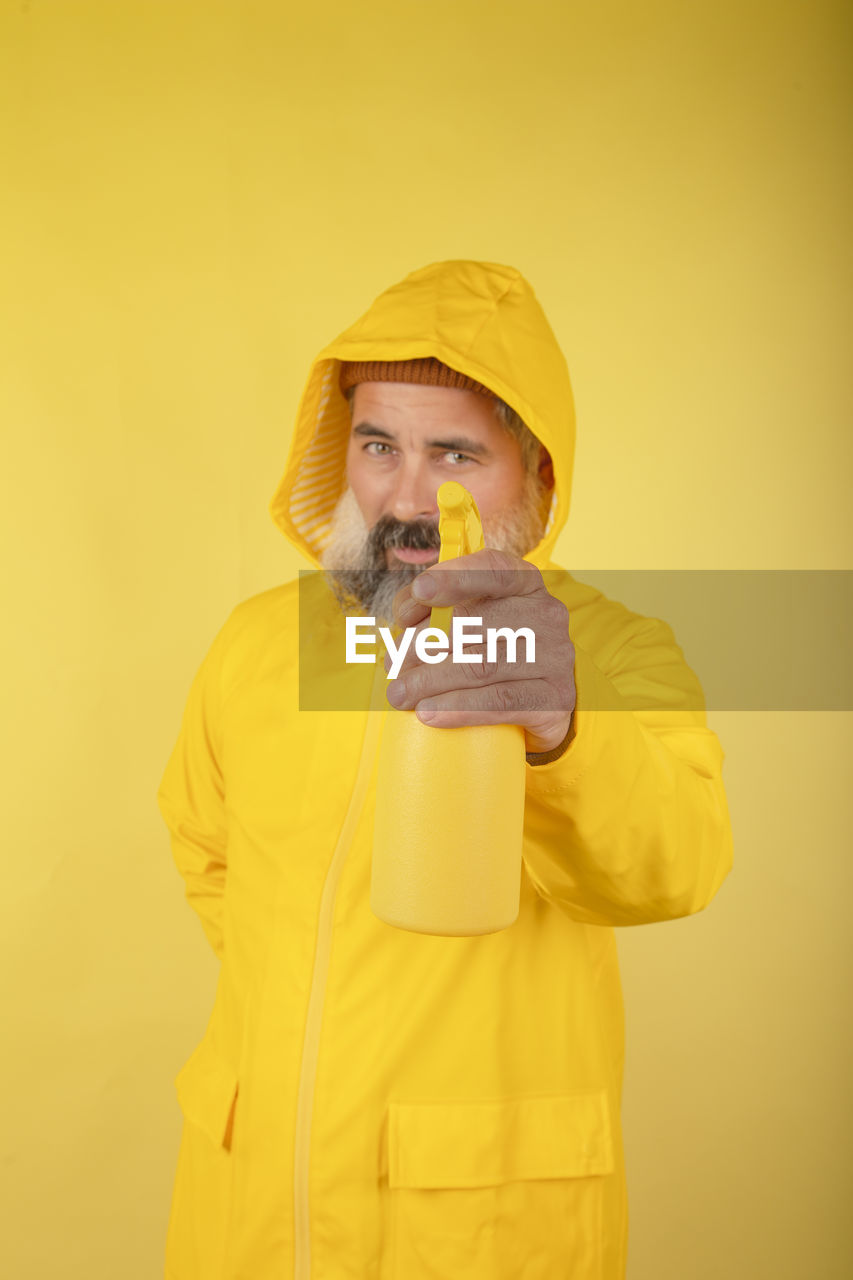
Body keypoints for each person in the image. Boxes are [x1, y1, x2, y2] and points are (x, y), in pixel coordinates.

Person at [156, 259, 733, 1280]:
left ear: (538, 474)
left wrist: (563, 726)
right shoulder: (255, 644)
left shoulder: (611, 652)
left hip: (477, 1231)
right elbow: (209, 852)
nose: (407, 494)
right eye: (379, 443)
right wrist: (325, 996)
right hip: (249, 1212)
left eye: (455, 450)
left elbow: (675, 864)